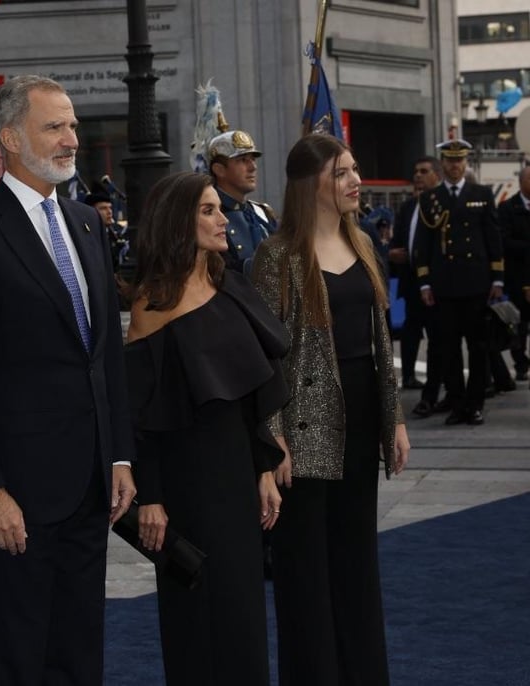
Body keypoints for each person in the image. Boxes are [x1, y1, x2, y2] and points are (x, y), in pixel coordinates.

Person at [0, 75, 136, 686]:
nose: (72, 138)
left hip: (91, 486)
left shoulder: (86, 225)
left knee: (81, 650)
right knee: (23, 655)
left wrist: (120, 454)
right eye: (56, 127)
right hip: (17, 493)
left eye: (73, 125)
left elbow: (107, 356)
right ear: (10, 138)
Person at [251, 134, 410, 686]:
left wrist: (395, 418)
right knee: (303, 570)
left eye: (354, 170)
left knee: (355, 559)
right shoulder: (277, 257)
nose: (355, 181)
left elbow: (379, 339)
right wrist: (273, 441)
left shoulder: (362, 241)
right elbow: (264, 358)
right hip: (304, 425)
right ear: (309, 184)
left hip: (362, 418)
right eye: (341, 173)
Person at [125, 171, 288, 685]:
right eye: (209, 210)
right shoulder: (150, 307)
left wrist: (263, 469)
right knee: (196, 614)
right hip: (186, 481)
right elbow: (140, 415)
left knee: (242, 610)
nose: (223, 219)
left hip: (237, 470)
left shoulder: (229, 282)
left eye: (220, 208)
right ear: (179, 221)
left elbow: (251, 392)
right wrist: (149, 497)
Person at [414, 139, 505, 425]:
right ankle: (457, 403)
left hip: (476, 283)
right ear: (443, 164)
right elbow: (424, 244)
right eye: (450, 161)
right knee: (448, 348)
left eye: (460, 160)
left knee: (478, 348)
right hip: (445, 286)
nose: (455, 166)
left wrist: (498, 278)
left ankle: (475, 404)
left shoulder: (482, 194)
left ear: (466, 162)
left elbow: (493, 238)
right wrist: (425, 283)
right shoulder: (431, 198)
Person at [390, 157, 442, 394]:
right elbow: (397, 240)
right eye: (416, 171)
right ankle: (409, 375)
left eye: (424, 171)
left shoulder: (442, 205)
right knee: (411, 330)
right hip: (409, 280)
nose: (418, 176)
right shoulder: (408, 206)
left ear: (436, 176)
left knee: (436, 333)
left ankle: (437, 377)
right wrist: (392, 252)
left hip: (434, 281)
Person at [208, 129, 278, 273]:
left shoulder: (262, 212)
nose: (253, 167)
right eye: (242, 160)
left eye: (253, 159)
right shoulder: (208, 217)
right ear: (219, 170)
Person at [497, 165, 530, 383]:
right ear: (521, 182)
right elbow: (503, 241)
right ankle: (520, 363)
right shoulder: (508, 208)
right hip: (519, 276)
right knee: (519, 324)